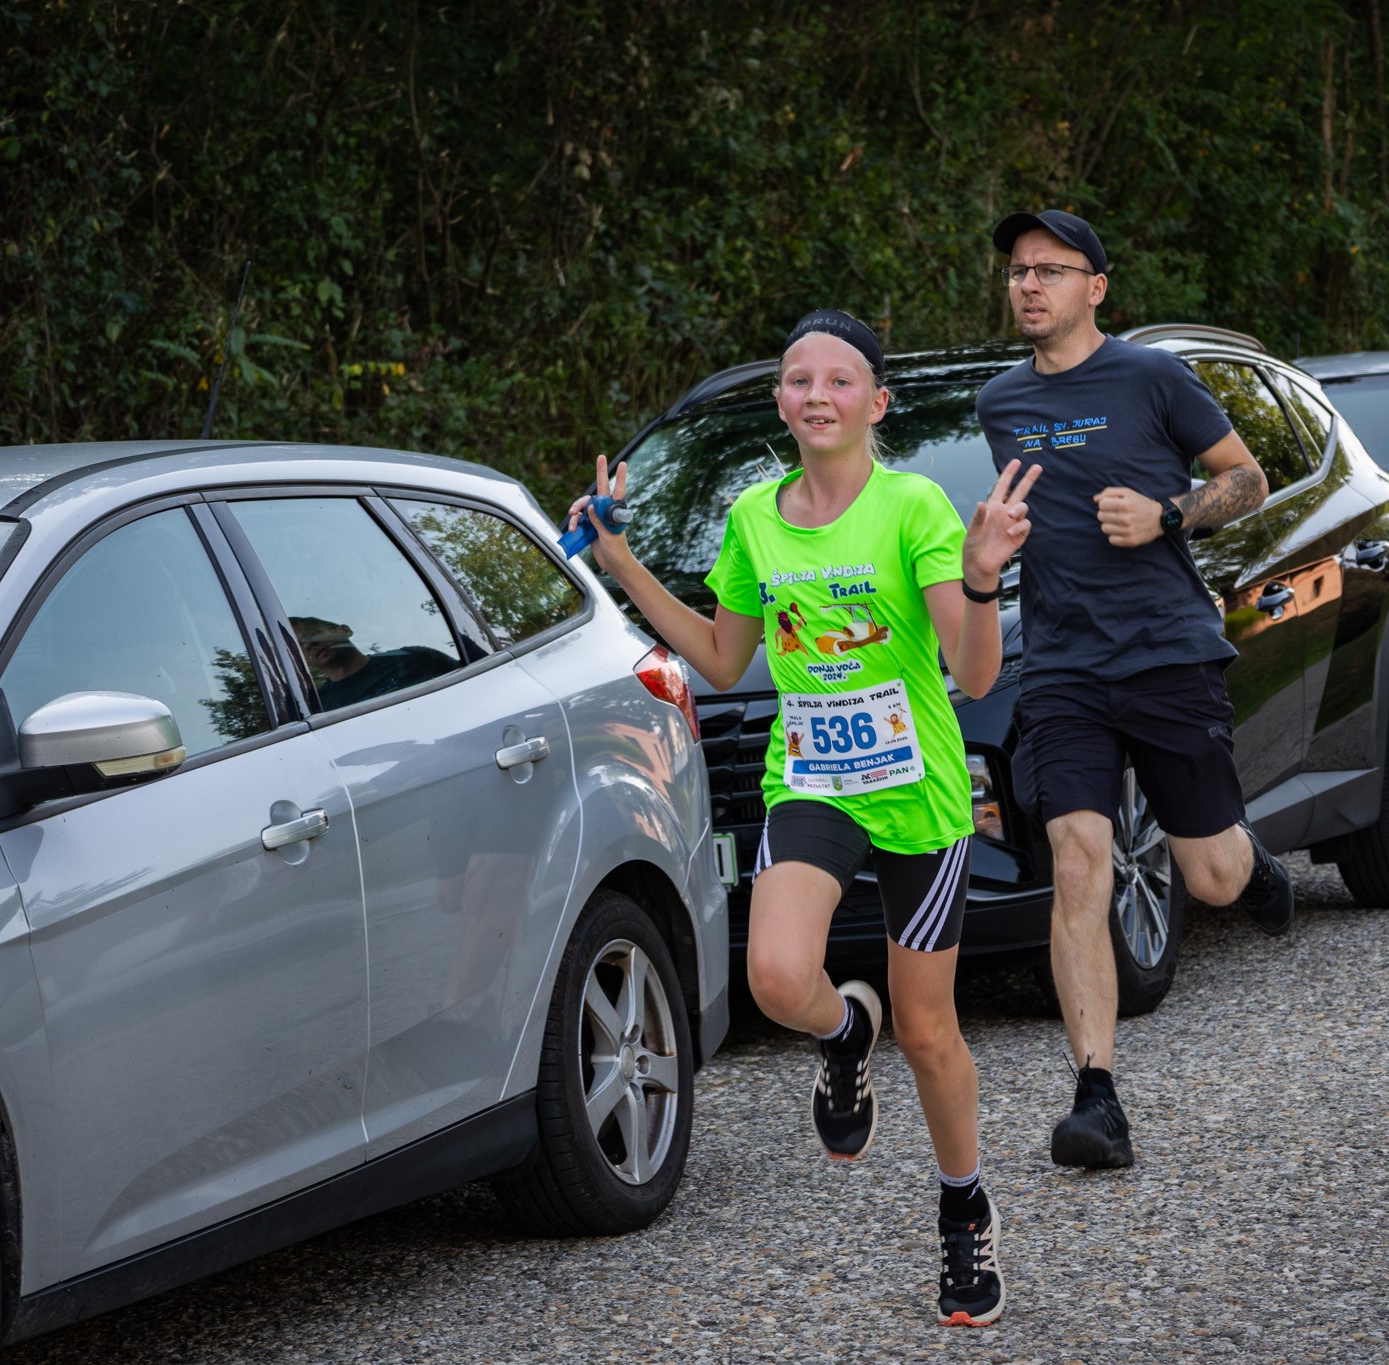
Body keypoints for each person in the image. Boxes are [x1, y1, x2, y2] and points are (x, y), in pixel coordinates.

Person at [570, 309, 1038, 1328]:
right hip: (813, 783)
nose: (814, 395)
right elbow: (724, 659)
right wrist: (618, 561)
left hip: (918, 798)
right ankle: (839, 1030)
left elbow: (974, 673)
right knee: (777, 977)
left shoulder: (911, 506)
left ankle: (962, 1208)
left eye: (837, 381)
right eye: (796, 380)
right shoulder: (753, 517)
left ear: (874, 403)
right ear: (780, 401)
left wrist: (982, 573)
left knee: (927, 1030)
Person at [973, 210, 1297, 1172]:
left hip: (1166, 651)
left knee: (1212, 877)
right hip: (1065, 664)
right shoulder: (998, 402)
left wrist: (1167, 513)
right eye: (1018, 271)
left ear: (1096, 287)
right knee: (1079, 856)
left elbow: (1249, 479)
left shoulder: (1154, 378)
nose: (1029, 285)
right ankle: (1096, 1098)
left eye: (1051, 270)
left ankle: (1254, 862)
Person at [288, 615, 455, 710]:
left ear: (344, 630)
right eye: (300, 645)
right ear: (302, 661)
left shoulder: (415, 658)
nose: (309, 644)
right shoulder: (320, 706)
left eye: (312, 634)